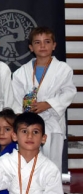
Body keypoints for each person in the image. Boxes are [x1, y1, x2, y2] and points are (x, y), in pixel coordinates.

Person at [11, 27, 76, 172]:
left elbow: (69, 92)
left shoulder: (63, 69)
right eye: (38, 42)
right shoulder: (20, 73)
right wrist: (22, 116)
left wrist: (47, 104)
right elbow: (16, 100)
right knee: (28, 162)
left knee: (52, 164)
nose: (42, 46)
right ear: (31, 47)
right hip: (28, 125)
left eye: (47, 42)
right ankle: (29, 192)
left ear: (54, 45)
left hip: (52, 123)